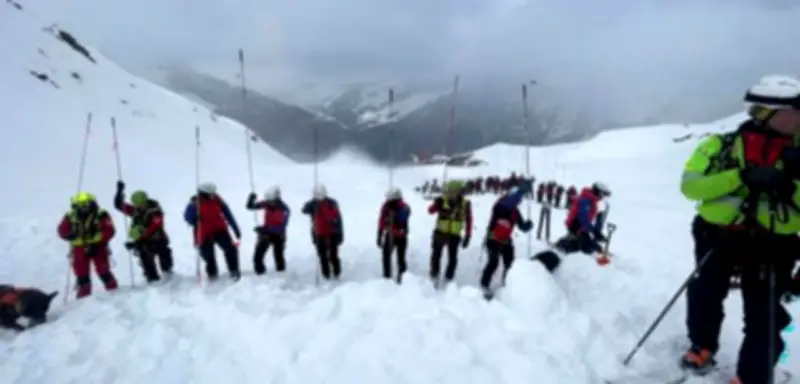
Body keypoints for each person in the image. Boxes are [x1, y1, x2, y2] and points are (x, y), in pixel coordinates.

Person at [679, 74, 800, 384]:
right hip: (718, 234)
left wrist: (790, 187)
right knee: (705, 293)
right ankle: (702, 346)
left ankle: (752, 376)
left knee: (763, 314)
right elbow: (691, 187)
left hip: (773, 244)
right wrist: (741, 177)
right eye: (795, 110)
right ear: (767, 112)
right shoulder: (720, 146)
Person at [531, 182, 612, 272]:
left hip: (580, 229)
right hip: (576, 228)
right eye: (603, 194)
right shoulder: (587, 200)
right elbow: (583, 218)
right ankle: (538, 265)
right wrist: (594, 231)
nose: (603, 197)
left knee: (588, 247)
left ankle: (599, 264)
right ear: (599, 192)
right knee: (568, 250)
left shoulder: (591, 200)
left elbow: (587, 219)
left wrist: (596, 230)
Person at [57, 192, 119, 298]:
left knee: (104, 271)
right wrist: (69, 234)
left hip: (98, 247)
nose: (83, 207)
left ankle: (115, 293)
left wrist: (96, 241)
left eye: (85, 204)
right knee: (82, 275)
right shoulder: (70, 216)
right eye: (80, 205)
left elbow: (109, 230)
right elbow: (61, 230)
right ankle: (83, 298)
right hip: (79, 249)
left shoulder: (101, 214)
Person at [114, 181, 173, 283]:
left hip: (157, 239)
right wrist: (119, 192)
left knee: (164, 256)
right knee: (146, 260)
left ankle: (168, 275)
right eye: (136, 205)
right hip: (144, 242)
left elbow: (154, 226)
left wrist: (137, 240)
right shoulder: (136, 210)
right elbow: (119, 206)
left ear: (145, 202)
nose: (138, 207)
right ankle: (152, 280)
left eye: (140, 204)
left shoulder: (155, 211)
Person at [479, 185, 533, 296]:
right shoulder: (500, 205)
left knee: (510, 263)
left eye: (519, 200)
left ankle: (507, 285)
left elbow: (521, 226)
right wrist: (520, 191)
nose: (519, 201)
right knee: (493, 263)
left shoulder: (515, 211)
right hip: (493, 239)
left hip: (505, 240)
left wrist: (527, 225)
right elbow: (506, 204)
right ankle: (484, 285)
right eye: (517, 199)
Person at [183, 182, 242, 281]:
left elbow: (228, 214)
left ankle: (234, 270)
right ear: (204, 194)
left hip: (219, 229)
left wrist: (235, 228)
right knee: (209, 256)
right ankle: (212, 275)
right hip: (204, 232)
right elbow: (188, 218)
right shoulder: (195, 203)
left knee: (231, 249)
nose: (213, 195)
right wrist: (195, 217)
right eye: (211, 194)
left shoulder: (217, 200)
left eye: (214, 193)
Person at [427, 180, 473, 286]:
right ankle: (434, 275)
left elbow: (469, 220)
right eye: (449, 191)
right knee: (436, 255)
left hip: (454, 235)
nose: (450, 193)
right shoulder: (442, 200)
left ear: (459, 191)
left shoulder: (465, 204)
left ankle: (449, 278)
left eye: (453, 191)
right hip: (440, 232)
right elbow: (430, 211)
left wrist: (468, 235)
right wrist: (436, 204)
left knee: (453, 258)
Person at [301, 185, 344, 280]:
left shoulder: (331, 203)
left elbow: (338, 219)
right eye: (317, 195)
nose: (319, 197)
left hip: (332, 233)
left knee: (333, 255)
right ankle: (326, 274)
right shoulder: (313, 205)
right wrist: (312, 204)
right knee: (322, 256)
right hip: (318, 234)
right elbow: (304, 210)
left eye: (320, 194)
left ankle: (337, 273)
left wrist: (340, 234)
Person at [246, 186, 290, 275]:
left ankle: (281, 274)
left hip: (279, 235)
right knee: (257, 256)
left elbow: (281, 227)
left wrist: (264, 229)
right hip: (266, 234)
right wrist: (251, 199)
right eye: (268, 200)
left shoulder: (285, 209)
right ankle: (260, 275)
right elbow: (250, 207)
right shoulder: (266, 204)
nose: (269, 202)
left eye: (270, 201)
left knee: (278, 256)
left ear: (276, 198)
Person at [377, 187, 411, 283]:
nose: (388, 201)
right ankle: (387, 276)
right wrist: (379, 233)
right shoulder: (386, 206)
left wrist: (395, 213)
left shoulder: (404, 207)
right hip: (390, 235)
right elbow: (381, 220)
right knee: (386, 255)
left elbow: (404, 216)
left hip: (401, 236)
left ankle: (403, 277)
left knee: (401, 258)